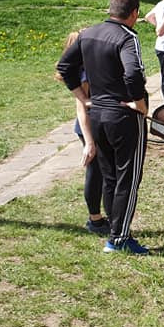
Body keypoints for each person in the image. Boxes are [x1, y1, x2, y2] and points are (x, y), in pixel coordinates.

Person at [56, 0, 150, 254]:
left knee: (110, 177)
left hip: (97, 115)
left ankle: (115, 231)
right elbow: (133, 73)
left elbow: (64, 67)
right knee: (128, 178)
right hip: (123, 117)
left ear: (110, 10)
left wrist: (83, 98)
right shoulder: (127, 37)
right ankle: (119, 239)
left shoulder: (88, 34)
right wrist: (140, 104)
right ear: (134, 13)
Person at [55, 31, 107, 235]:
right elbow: (81, 109)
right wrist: (89, 143)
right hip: (88, 128)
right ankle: (95, 220)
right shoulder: (84, 72)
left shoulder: (89, 67)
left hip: (97, 125)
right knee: (95, 173)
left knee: (102, 172)